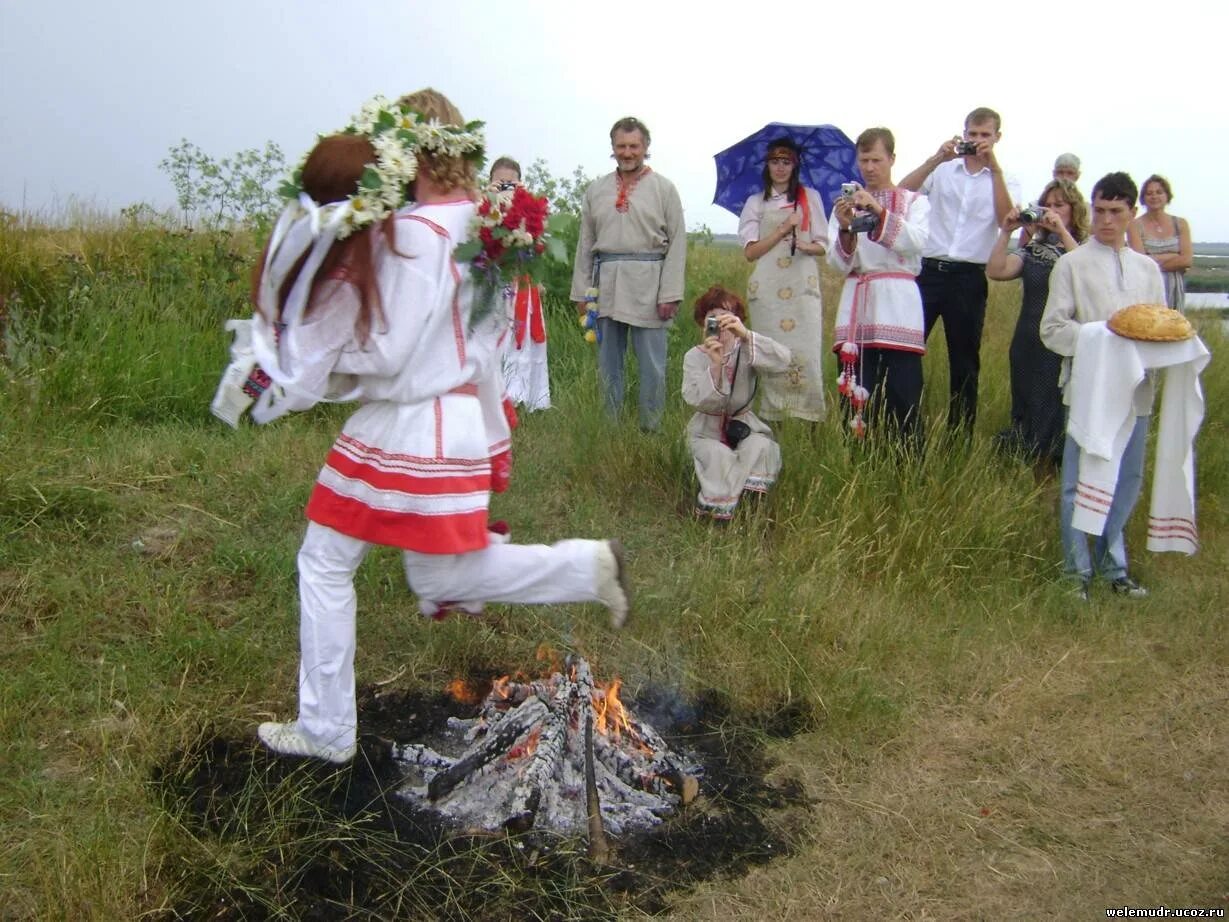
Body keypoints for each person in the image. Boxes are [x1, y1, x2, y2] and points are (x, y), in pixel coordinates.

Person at [252, 90, 630, 764]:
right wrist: (489, 439)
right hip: (455, 422)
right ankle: (587, 565)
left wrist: (325, 376)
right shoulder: (490, 231)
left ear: (405, 151)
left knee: (324, 561)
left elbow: (392, 353)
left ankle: (326, 731)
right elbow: (486, 352)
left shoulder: (411, 234)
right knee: (438, 579)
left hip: (406, 423)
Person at [1040, 172, 1165, 600]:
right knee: (1078, 481)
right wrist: (1103, 337)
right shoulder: (1071, 264)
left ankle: (1115, 568)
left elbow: (1159, 328)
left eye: (1115, 211)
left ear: (1132, 214)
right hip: (1090, 389)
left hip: (1135, 391)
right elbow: (1053, 330)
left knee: (1127, 478)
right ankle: (1077, 571)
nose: (1106, 220)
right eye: (1099, 210)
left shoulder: (1148, 270)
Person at [898, 107, 1021, 434]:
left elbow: (1007, 220)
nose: (978, 141)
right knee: (908, 349)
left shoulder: (1005, 179)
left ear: (997, 137)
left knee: (965, 361)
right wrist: (936, 158)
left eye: (985, 135)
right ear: (963, 134)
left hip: (968, 276)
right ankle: (904, 423)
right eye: (972, 134)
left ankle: (959, 435)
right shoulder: (944, 170)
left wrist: (994, 169)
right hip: (928, 272)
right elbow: (902, 193)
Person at [570, 117, 686, 431]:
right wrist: (581, 292)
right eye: (621, 146)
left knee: (652, 364)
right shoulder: (596, 190)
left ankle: (651, 426)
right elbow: (586, 244)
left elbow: (677, 243)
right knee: (609, 363)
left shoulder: (664, 189)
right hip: (606, 283)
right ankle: (611, 428)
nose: (627, 152)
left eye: (634, 146)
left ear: (645, 147)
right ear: (613, 148)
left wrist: (670, 293)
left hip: (649, 283)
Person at [827, 127, 930, 444]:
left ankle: (906, 465)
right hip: (858, 305)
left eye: (876, 159)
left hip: (899, 306)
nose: (869, 167)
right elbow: (836, 263)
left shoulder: (915, 202)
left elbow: (917, 242)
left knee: (903, 393)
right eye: (864, 160)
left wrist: (879, 210)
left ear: (892, 159)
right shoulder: (844, 206)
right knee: (856, 391)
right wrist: (845, 228)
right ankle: (856, 463)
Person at [986, 179, 1088, 471]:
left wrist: (1062, 232)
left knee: (1053, 405)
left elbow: (1084, 272)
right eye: (1048, 205)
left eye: (1060, 205)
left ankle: (1049, 466)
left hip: (1061, 342)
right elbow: (997, 270)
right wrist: (1006, 232)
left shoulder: (1083, 248)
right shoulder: (1034, 249)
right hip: (1028, 339)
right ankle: (1025, 460)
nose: (1052, 211)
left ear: (1073, 210)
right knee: (1026, 402)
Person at [737, 137, 829, 422]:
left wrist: (804, 245)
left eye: (786, 161)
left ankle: (810, 417)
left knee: (807, 355)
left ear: (795, 164)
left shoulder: (809, 198)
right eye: (775, 161)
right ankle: (772, 421)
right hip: (767, 290)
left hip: (802, 287)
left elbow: (823, 245)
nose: (780, 167)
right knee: (771, 354)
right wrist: (780, 231)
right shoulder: (756, 202)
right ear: (767, 165)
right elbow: (751, 252)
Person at [682, 286, 791, 520]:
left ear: (737, 320)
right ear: (703, 323)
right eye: (713, 319)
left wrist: (746, 335)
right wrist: (715, 365)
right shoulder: (694, 356)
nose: (720, 325)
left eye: (727, 317)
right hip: (706, 430)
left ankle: (752, 506)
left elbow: (783, 361)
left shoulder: (748, 349)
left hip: (745, 425)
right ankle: (721, 511)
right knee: (718, 456)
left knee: (760, 447)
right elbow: (697, 400)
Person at [488, 156, 551, 411]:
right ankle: (491, 396)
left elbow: (538, 247)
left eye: (510, 182)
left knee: (523, 340)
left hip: (522, 283)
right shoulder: (482, 208)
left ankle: (524, 395)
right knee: (494, 340)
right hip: (492, 282)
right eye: (499, 181)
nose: (505, 187)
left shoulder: (528, 211)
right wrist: (491, 202)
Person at [1128, 174, 1192, 311]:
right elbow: (1140, 263)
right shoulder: (1134, 225)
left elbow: (1186, 260)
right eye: (1149, 193)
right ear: (1143, 198)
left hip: (1175, 288)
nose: (1154, 196)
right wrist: (1173, 256)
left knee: (1175, 328)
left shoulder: (1180, 223)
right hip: (1147, 286)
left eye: (1159, 192)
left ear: (1167, 196)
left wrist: (1153, 259)